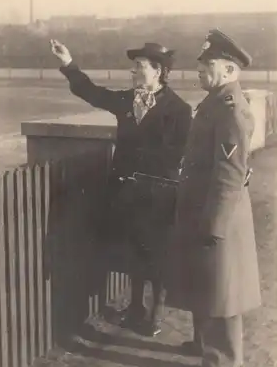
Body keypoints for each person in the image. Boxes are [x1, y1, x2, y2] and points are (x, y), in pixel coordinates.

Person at [51, 40, 192, 336]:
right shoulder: (127, 100)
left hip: (158, 194)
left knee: (156, 254)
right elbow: (91, 92)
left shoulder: (179, 109)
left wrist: (144, 165)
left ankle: (154, 315)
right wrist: (68, 63)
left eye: (139, 66)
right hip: (127, 193)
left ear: (158, 71)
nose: (133, 71)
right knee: (133, 251)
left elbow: (179, 153)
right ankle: (135, 308)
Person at [172, 29, 261, 367]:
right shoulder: (215, 102)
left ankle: (224, 359)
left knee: (221, 287)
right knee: (206, 281)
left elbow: (230, 173)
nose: (199, 71)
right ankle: (204, 343)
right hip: (203, 205)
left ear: (229, 71)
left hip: (218, 210)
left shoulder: (231, 110)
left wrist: (216, 224)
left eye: (208, 65)